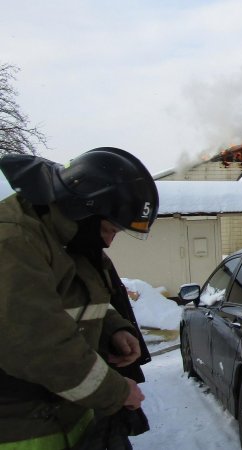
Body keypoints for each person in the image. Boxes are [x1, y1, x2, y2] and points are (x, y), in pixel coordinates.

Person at [0, 147, 159, 449]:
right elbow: (35, 343)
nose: (109, 242)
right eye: (109, 229)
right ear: (83, 209)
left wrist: (114, 327)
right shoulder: (12, 241)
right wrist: (116, 391)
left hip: (67, 417)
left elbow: (70, 296)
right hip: (21, 431)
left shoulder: (64, 238)